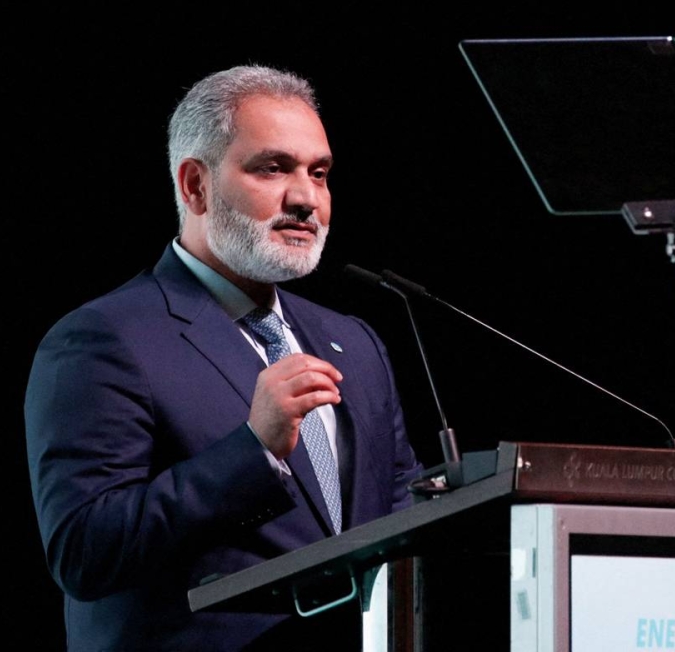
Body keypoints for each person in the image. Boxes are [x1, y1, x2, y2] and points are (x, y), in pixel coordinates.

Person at [24, 64, 422, 651]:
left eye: (319, 173)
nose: (306, 198)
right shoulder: (104, 340)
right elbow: (84, 552)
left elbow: (400, 511)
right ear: (195, 186)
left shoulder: (354, 342)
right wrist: (254, 450)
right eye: (272, 168)